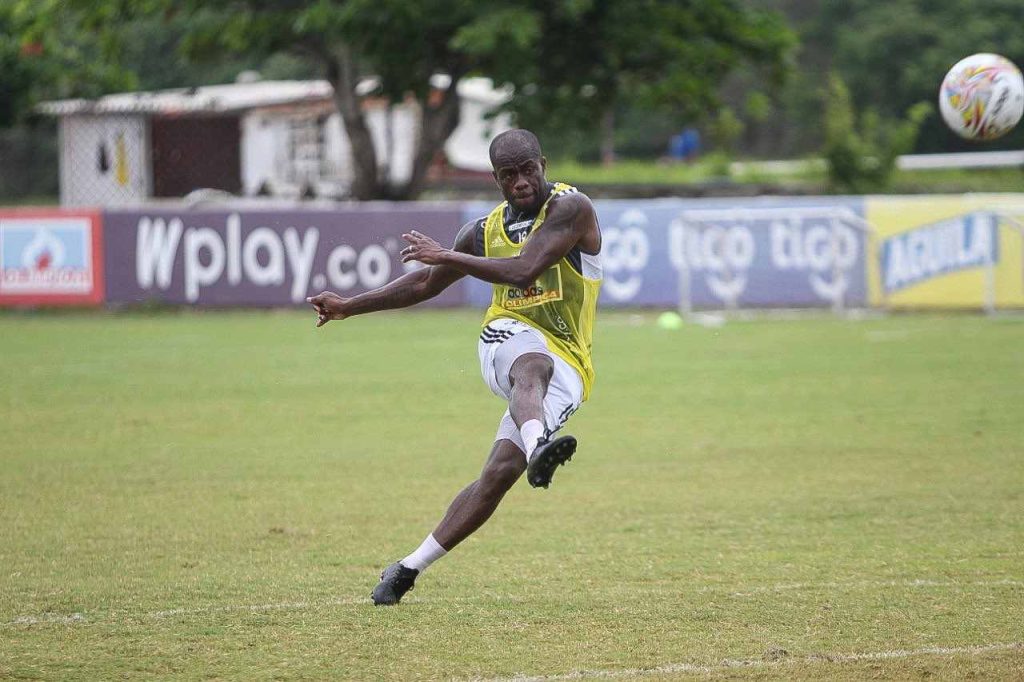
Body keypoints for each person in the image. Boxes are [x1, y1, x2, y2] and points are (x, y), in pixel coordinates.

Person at [306, 129, 602, 605]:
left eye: (529, 170)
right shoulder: (482, 233)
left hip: (571, 360)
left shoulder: (571, 208)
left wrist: (446, 253)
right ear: (496, 180)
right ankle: (539, 443)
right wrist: (347, 306)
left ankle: (406, 569)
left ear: (543, 164)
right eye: (510, 176)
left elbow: (525, 269)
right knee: (530, 362)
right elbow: (425, 283)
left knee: (497, 476)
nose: (522, 182)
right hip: (507, 336)